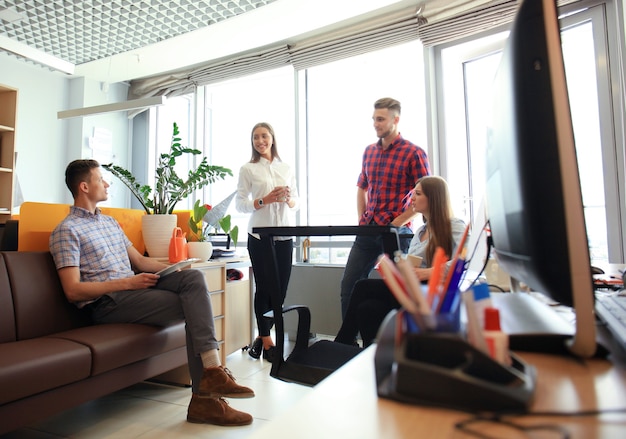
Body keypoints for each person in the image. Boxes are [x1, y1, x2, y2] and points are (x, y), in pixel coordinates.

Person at [49, 159, 255, 427]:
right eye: (101, 179)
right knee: (193, 305)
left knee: (193, 279)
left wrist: (175, 270)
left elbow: (140, 262)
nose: (107, 183)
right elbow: (73, 290)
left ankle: (212, 376)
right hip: (107, 303)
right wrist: (127, 284)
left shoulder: (110, 223)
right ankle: (206, 399)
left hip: (132, 291)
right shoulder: (66, 230)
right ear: (84, 186)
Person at [335, 176, 466, 348]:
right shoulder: (420, 232)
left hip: (430, 291)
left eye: (418, 194)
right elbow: (411, 264)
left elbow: (464, 262)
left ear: (433, 198)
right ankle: (367, 355)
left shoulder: (454, 225)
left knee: (362, 286)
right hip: (411, 288)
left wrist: (426, 272)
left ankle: (341, 345)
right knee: (367, 308)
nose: (411, 199)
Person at [340, 97, 431, 319]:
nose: (375, 124)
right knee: (348, 287)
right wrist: (362, 220)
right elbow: (362, 188)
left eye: (380, 119)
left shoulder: (413, 153)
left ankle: (396, 341)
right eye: (374, 119)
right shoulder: (369, 152)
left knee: (400, 291)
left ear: (395, 120)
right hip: (368, 231)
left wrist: (397, 222)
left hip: (397, 233)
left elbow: (426, 194)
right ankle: (349, 345)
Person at [235, 122, 300, 362]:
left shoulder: (286, 167)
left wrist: (290, 199)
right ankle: (267, 340)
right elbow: (240, 204)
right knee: (264, 288)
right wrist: (264, 200)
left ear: (272, 137)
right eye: (255, 138)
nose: (260, 141)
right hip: (259, 236)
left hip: (284, 234)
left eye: (264, 136)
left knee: (280, 291)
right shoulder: (248, 169)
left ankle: (261, 337)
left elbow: (297, 201)